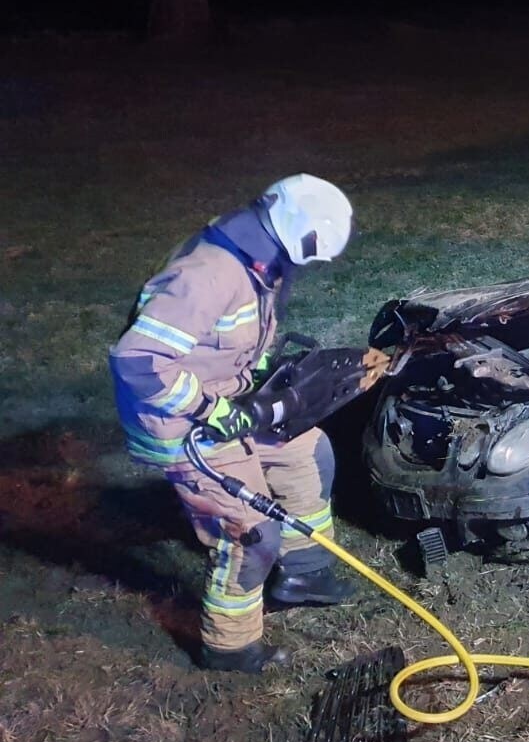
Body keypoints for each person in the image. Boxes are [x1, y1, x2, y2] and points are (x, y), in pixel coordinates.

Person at [109, 174, 360, 672]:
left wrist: (267, 378)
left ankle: (305, 573)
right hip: (177, 422)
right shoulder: (207, 275)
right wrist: (213, 410)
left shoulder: (258, 261)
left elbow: (230, 344)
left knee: (309, 451)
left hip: (226, 401)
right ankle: (229, 648)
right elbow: (137, 361)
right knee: (249, 535)